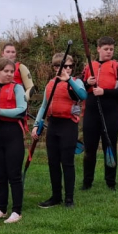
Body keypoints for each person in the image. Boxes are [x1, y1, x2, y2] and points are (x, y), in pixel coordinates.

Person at [33, 52, 86, 209]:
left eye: (69, 66)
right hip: (53, 125)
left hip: (68, 126)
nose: (67, 69)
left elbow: (83, 95)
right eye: (63, 66)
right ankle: (56, 196)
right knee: (53, 163)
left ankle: (69, 199)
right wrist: (36, 124)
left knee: (67, 163)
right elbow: (44, 105)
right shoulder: (50, 84)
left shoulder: (76, 82)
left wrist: (68, 79)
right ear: (55, 67)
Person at [0, 58, 28, 223]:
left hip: (13, 132)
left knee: (13, 174)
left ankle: (17, 211)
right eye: (6, 71)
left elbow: (22, 110)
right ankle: (1, 209)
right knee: (0, 174)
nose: (9, 74)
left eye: (11, 71)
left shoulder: (18, 88)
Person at [82, 37, 118, 191]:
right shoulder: (88, 67)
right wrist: (86, 83)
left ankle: (111, 182)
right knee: (90, 149)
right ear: (98, 49)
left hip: (110, 112)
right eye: (106, 49)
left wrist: (104, 92)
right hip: (91, 112)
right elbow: (78, 89)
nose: (109, 52)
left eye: (111, 49)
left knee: (110, 146)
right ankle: (87, 182)